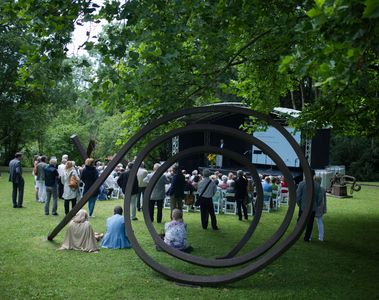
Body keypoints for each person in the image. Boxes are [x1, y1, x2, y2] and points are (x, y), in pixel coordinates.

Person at [296, 173, 322, 242]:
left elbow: (298, 196)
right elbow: (319, 198)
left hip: (303, 207)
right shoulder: (317, 185)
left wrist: (300, 204)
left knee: (300, 221)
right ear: (313, 175)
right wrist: (316, 205)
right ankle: (307, 238)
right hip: (312, 208)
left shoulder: (302, 184)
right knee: (310, 223)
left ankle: (296, 235)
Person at [314, 176, 327, 241]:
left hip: (315, 207)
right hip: (320, 207)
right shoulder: (323, 189)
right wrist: (325, 208)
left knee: (311, 222)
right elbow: (325, 200)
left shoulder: (313, 188)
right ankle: (321, 237)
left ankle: (309, 237)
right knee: (320, 221)